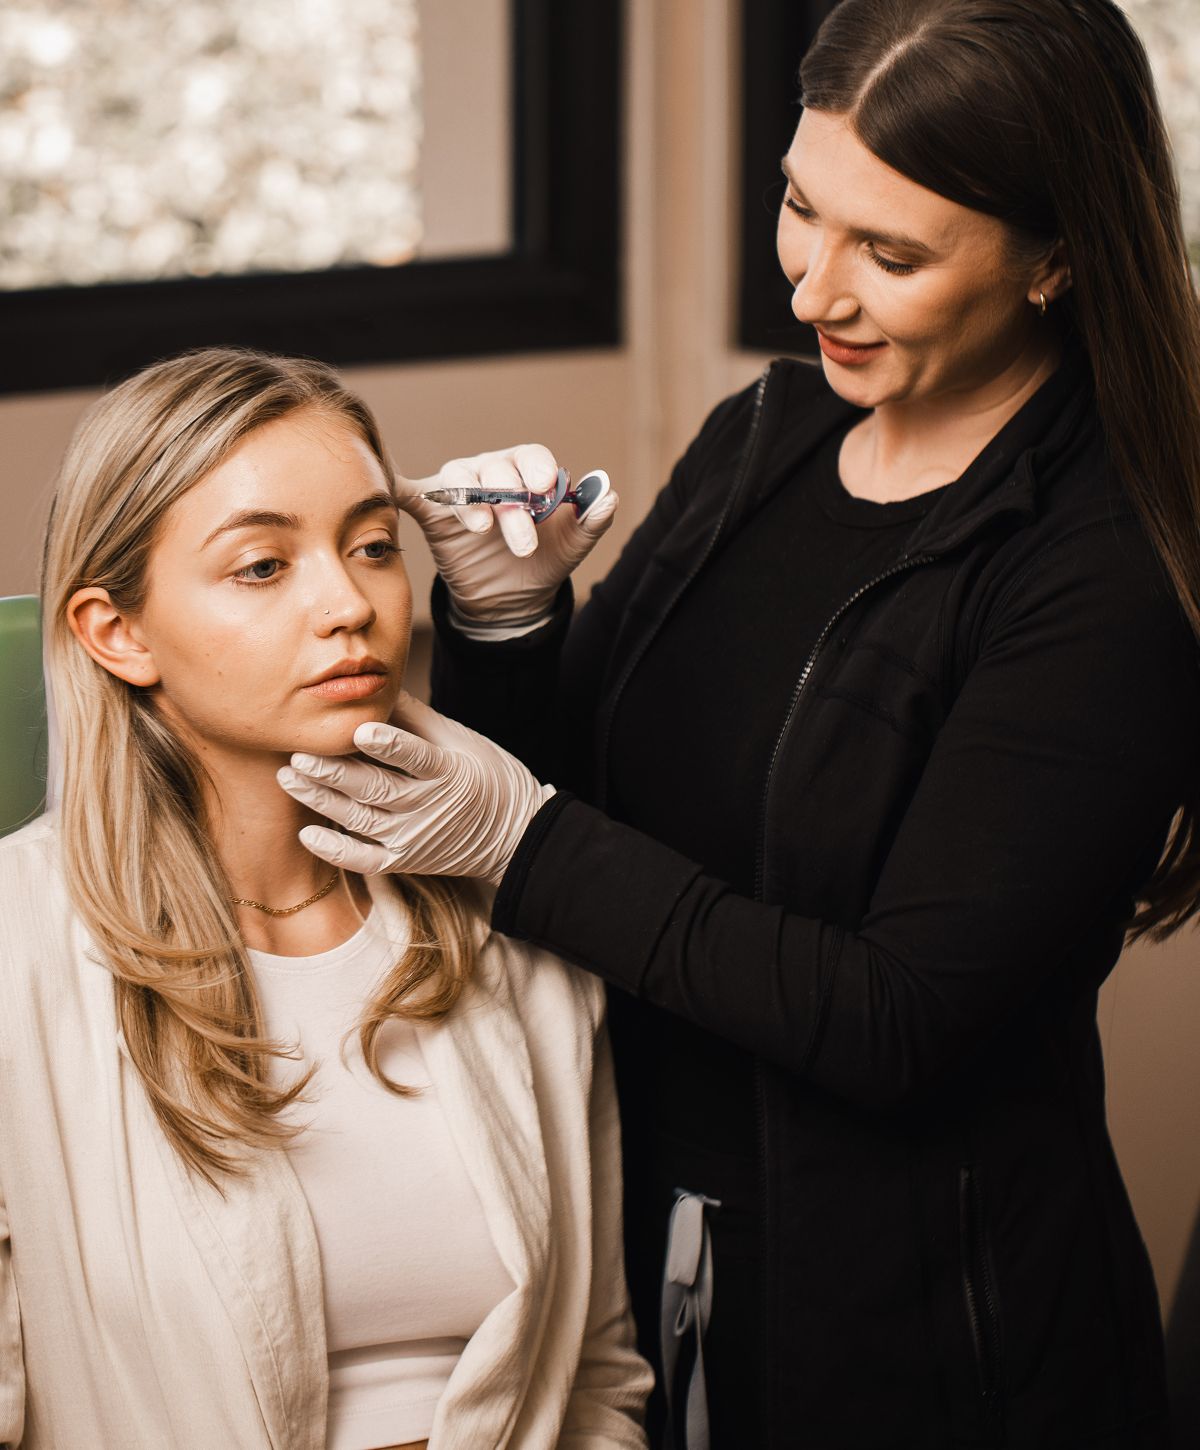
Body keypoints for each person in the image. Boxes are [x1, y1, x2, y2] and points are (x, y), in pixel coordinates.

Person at [277, 1, 1200, 1445]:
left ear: (1056, 258)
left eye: (889, 254)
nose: (812, 289)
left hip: (931, 1349)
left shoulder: (1101, 575)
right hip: (653, 1251)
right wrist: (510, 628)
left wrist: (519, 842)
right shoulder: (760, 438)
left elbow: (898, 1017)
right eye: (797, 205)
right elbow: (582, 804)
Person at [0, 347, 651, 1450]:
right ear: (117, 631)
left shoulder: (512, 930)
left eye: (373, 547)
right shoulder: (19, 953)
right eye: (263, 565)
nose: (350, 604)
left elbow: (597, 1372)